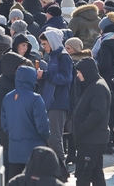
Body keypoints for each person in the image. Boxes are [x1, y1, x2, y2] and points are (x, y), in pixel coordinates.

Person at [2, 66, 51, 178]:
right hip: (33, 148)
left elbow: (5, 126)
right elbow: (42, 126)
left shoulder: (7, 98)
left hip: (14, 150)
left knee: (16, 180)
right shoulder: (35, 98)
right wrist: (46, 137)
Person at [72, 57, 111, 186]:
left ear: (86, 71)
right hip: (92, 138)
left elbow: (98, 113)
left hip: (91, 139)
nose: (77, 75)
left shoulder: (97, 87)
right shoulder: (92, 85)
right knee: (96, 174)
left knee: (83, 174)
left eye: (79, 72)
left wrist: (81, 128)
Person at [38, 29, 73, 165]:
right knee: (50, 138)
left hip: (58, 102)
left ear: (52, 42)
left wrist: (45, 75)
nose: (44, 47)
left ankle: (61, 168)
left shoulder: (63, 57)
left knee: (55, 138)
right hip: (50, 101)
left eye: (45, 44)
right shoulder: (53, 56)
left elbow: (66, 78)